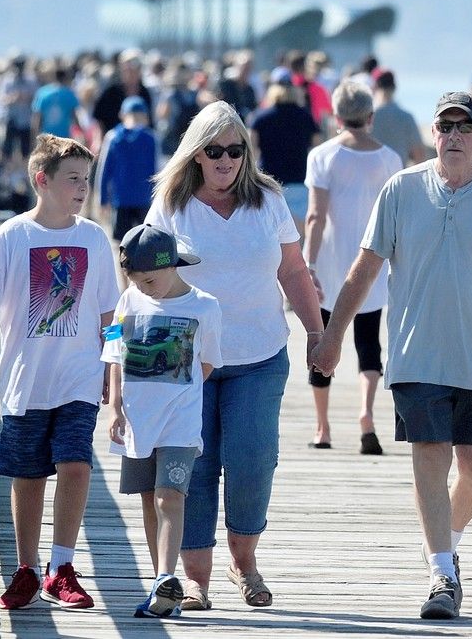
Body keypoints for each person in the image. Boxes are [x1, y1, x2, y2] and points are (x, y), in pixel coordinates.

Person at [312, 91, 472, 620]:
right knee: (430, 452)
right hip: (416, 354)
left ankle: (446, 539)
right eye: (446, 126)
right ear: (434, 133)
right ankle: (442, 571)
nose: (455, 136)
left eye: (466, 127)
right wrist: (331, 336)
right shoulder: (401, 190)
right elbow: (364, 268)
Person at [145, 101, 323, 611]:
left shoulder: (267, 199)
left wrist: (317, 331)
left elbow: (293, 270)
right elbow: (148, 280)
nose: (225, 160)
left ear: (247, 151)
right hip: (185, 357)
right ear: (196, 154)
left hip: (259, 351)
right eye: (214, 150)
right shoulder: (172, 206)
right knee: (193, 467)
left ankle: (244, 562)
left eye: (234, 150)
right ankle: (195, 578)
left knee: (253, 460)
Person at [0, 134, 120, 610]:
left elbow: (110, 314)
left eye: (86, 181)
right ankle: (26, 568)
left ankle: (61, 566)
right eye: (73, 179)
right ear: (41, 181)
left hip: (80, 377)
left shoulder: (92, 237)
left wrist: (112, 363)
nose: (82, 189)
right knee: (27, 476)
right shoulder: (12, 236)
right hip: (26, 379)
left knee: (76, 464)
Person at [103, 224, 223, 618]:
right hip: (137, 421)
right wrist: (116, 405)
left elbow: (206, 362)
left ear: (173, 266)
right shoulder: (128, 300)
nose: (143, 288)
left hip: (181, 423)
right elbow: (116, 353)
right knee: (147, 502)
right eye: (136, 281)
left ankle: (165, 576)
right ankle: (162, 585)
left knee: (169, 496)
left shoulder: (205, 307)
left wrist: (178, 391)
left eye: (149, 280)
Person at [303, 81, 402, 452]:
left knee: (322, 340)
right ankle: (366, 414)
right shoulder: (391, 160)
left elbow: (315, 216)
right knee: (369, 343)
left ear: (336, 116)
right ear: (371, 117)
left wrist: (308, 264)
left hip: (330, 265)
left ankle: (323, 427)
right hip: (372, 266)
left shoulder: (323, 156)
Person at [248, 82, 321, 238]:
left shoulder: (260, 117)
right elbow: (317, 147)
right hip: (299, 180)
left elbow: (251, 150)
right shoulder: (305, 116)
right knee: (299, 237)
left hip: (269, 182)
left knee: (272, 236)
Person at [97, 96, 160, 242]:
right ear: (145, 116)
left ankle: (123, 266)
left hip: (120, 200)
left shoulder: (113, 137)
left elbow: (104, 171)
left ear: (122, 114)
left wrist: (103, 199)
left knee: (122, 244)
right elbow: (159, 170)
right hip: (146, 199)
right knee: (146, 243)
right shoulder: (151, 137)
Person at [370, 68, 427, 167]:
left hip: (371, 177)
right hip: (398, 176)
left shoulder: (367, 118)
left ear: (374, 87)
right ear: (394, 87)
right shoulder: (406, 117)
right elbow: (419, 156)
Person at [93, 49, 154, 137]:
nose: (130, 73)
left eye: (134, 69)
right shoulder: (111, 91)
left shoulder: (145, 93)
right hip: (114, 141)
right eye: (127, 69)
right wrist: (98, 139)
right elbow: (99, 118)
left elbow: (149, 121)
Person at [31, 64, 83, 140]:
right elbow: (74, 116)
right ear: (66, 77)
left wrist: (34, 136)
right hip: (64, 138)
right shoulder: (69, 93)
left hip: (46, 138)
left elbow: (37, 118)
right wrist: (82, 132)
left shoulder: (42, 92)